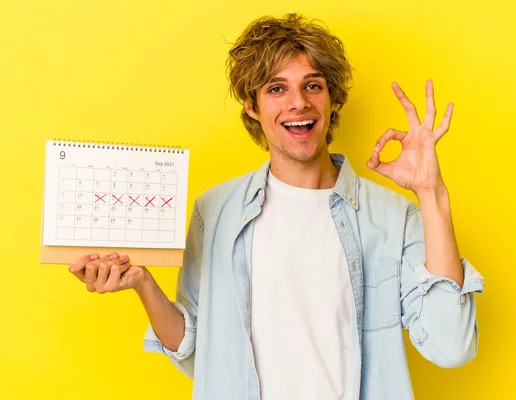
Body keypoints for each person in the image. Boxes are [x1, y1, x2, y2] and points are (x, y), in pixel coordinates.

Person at [68, 13, 484, 400]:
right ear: (253, 106)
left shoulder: (394, 217)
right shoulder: (215, 211)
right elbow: (198, 352)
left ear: (332, 99)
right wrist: (142, 282)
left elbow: (452, 347)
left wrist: (432, 194)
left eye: (313, 85)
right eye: (276, 88)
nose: (298, 102)